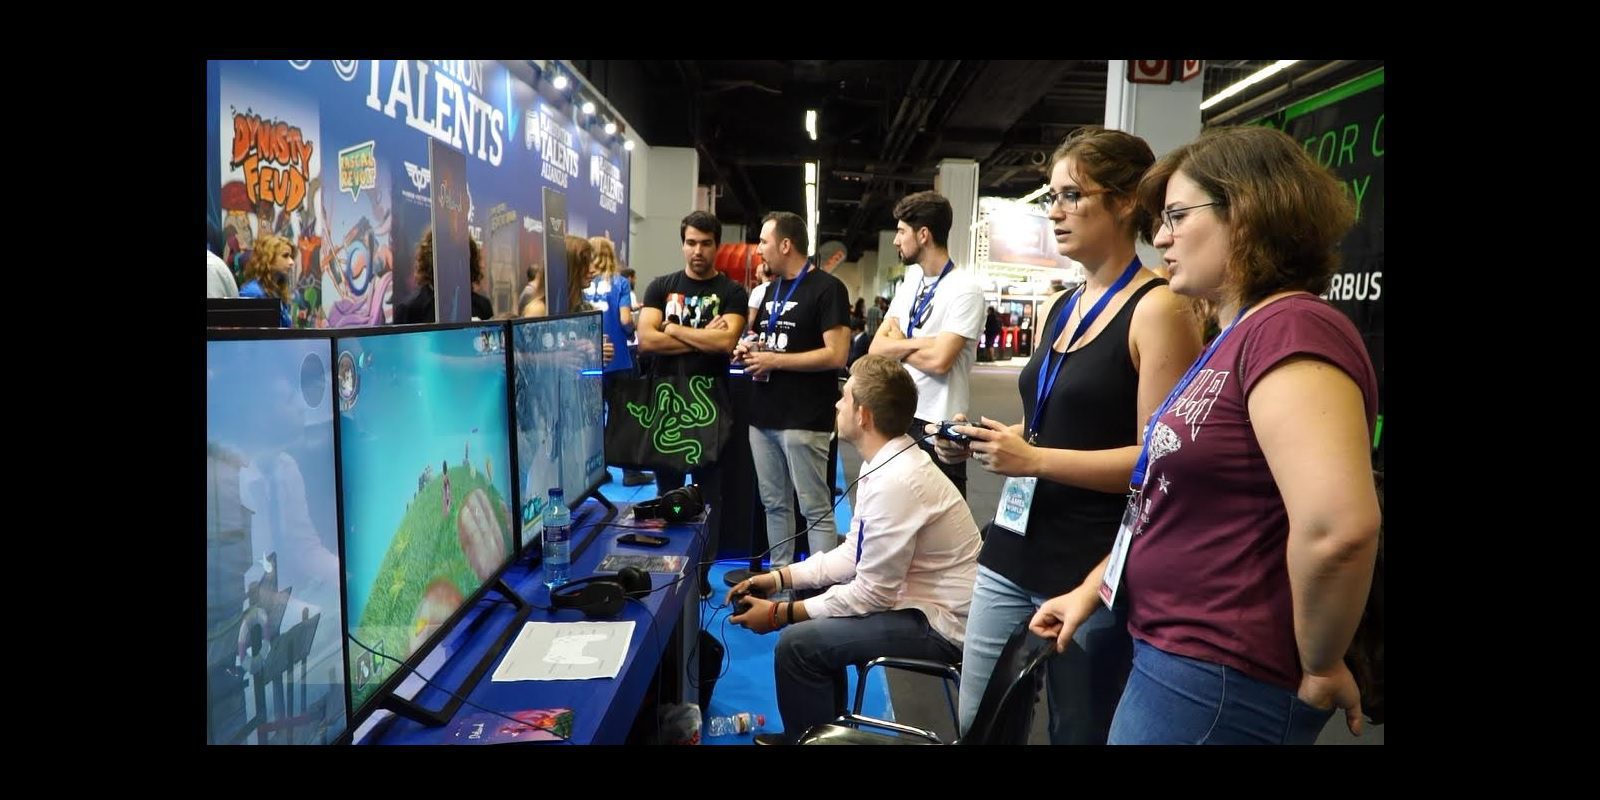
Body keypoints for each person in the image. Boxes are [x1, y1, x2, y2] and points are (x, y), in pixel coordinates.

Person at [1028, 125, 1380, 745]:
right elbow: (1168, 500)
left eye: (1177, 216)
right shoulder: (1235, 335)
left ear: (1246, 213)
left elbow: (1336, 531)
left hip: (1222, 672)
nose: (1161, 236)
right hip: (1179, 655)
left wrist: (1322, 663)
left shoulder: (1291, 329)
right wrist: (1093, 589)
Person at [930, 126, 1202, 744]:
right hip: (1011, 546)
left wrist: (1035, 460)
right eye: (1051, 196)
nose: (1054, 211)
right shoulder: (1063, 304)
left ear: (1126, 202)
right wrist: (991, 439)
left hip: (1091, 562)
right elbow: (1054, 422)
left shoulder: (1159, 308)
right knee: (980, 724)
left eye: (1072, 196)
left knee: (1076, 730)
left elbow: (1157, 462)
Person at [727, 354, 980, 745]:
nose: (837, 404)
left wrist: (779, 615)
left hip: (941, 624)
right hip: (923, 603)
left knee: (798, 644)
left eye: (844, 397)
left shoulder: (897, 479)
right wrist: (778, 579)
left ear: (863, 416)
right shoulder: (887, 460)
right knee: (813, 616)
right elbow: (852, 556)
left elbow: (871, 594)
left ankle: (810, 738)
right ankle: (819, 733)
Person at [636, 210, 749, 587]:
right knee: (666, 495)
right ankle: (669, 574)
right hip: (666, 405)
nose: (697, 251)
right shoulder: (660, 287)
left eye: (705, 243)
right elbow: (647, 340)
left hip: (711, 407)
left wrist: (671, 327)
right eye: (691, 243)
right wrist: (700, 336)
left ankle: (699, 577)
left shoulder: (732, 292)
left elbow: (726, 342)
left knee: (708, 498)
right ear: (682, 244)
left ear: (717, 246)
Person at [734, 211, 851, 571]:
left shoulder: (829, 289)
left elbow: (836, 355)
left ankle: (820, 587)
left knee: (814, 508)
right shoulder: (771, 290)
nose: (759, 250)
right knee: (774, 505)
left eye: (764, 242)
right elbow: (772, 342)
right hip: (762, 416)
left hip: (804, 418)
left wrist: (775, 361)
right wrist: (750, 348)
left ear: (786, 245)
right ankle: (780, 584)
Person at [870, 191, 986, 498]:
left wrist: (900, 344)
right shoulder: (911, 281)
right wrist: (927, 343)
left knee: (940, 518)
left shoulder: (966, 289)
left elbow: (940, 362)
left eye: (901, 232)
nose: (896, 241)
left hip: (939, 426)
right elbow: (877, 347)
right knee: (894, 511)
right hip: (899, 415)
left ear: (923, 235)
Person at [587, 236, 647, 486]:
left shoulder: (583, 284)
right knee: (623, 417)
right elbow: (624, 320)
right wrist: (632, 332)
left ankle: (597, 471)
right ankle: (630, 472)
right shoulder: (620, 283)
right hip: (619, 359)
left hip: (590, 359)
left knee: (592, 418)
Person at [393, 232, 492, 324]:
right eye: (447, 257)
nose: (454, 265)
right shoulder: (409, 310)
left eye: (460, 256)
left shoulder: (482, 306)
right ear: (431, 260)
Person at [238, 234, 296, 328]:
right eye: (285, 256)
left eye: (291, 257)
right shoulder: (253, 292)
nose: (291, 262)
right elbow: (252, 334)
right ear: (268, 259)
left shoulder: (276, 290)